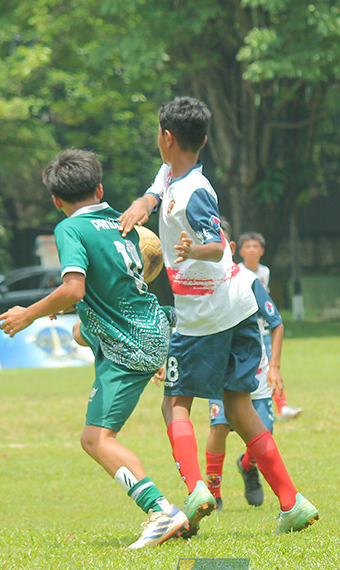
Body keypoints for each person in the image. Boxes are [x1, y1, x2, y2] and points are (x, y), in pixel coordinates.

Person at [118, 96, 319, 536]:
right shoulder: (175, 173)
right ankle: (292, 503)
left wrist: (196, 249)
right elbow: (160, 182)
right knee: (238, 404)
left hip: (204, 315)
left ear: (166, 138)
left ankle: (196, 489)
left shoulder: (194, 193)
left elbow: (220, 245)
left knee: (175, 404)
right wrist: (144, 202)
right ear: (203, 140)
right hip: (240, 307)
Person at [0, 148, 188, 549]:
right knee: (80, 333)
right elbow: (103, 284)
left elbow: (74, 287)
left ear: (56, 200)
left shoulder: (70, 229)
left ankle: (161, 511)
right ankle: (172, 514)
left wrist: (28, 314)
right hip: (150, 325)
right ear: (100, 188)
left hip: (130, 344)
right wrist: (71, 305)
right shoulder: (122, 220)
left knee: (95, 439)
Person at [205, 222, 285, 511]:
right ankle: (213, 492)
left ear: (230, 248)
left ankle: (248, 466)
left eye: (220, 243)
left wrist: (274, 366)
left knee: (263, 431)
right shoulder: (198, 283)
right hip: (219, 366)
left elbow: (276, 323)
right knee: (220, 426)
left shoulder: (248, 280)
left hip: (254, 363)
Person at [237, 232, 302, 421]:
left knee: (272, 366)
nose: (251, 250)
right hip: (248, 328)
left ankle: (281, 407)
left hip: (264, 327)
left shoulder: (265, 272)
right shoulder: (238, 272)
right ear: (240, 251)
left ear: (262, 251)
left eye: (255, 246)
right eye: (248, 246)